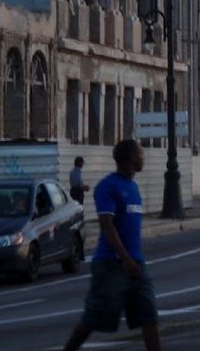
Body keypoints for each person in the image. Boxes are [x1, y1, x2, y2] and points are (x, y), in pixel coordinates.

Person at [63, 139, 160, 351]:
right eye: (140, 153)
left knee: (149, 317)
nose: (143, 157)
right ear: (131, 158)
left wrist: (133, 261)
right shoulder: (107, 186)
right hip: (111, 265)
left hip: (137, 264)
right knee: (94, 318)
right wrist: (125, 260)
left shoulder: (133, 186)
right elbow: (107, 225)